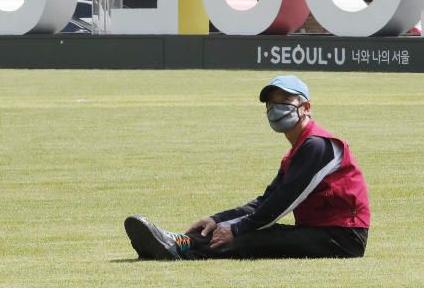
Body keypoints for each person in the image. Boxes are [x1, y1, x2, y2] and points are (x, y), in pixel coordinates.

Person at [124, 75, 370, 260]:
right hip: (322, 232)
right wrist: (217, 219)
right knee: (244, 231)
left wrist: (237, 227)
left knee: (253, 237)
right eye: (271, 103)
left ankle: (175, 253)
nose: (276, 108)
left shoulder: (316, 146)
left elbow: (282, 203)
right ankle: (178, 241)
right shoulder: (297, 151)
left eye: (286, 100)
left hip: (344, 238)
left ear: (306, 107)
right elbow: (265, 201)